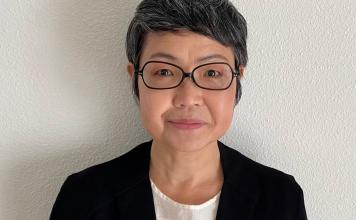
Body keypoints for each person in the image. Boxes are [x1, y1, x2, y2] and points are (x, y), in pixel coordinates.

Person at [50, 0, 307, 219]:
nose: (188, 98)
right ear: (135, 79)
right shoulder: (84, 198)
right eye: (163, 72)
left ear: (237, 78)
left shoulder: (280, 199)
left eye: (212, 72)